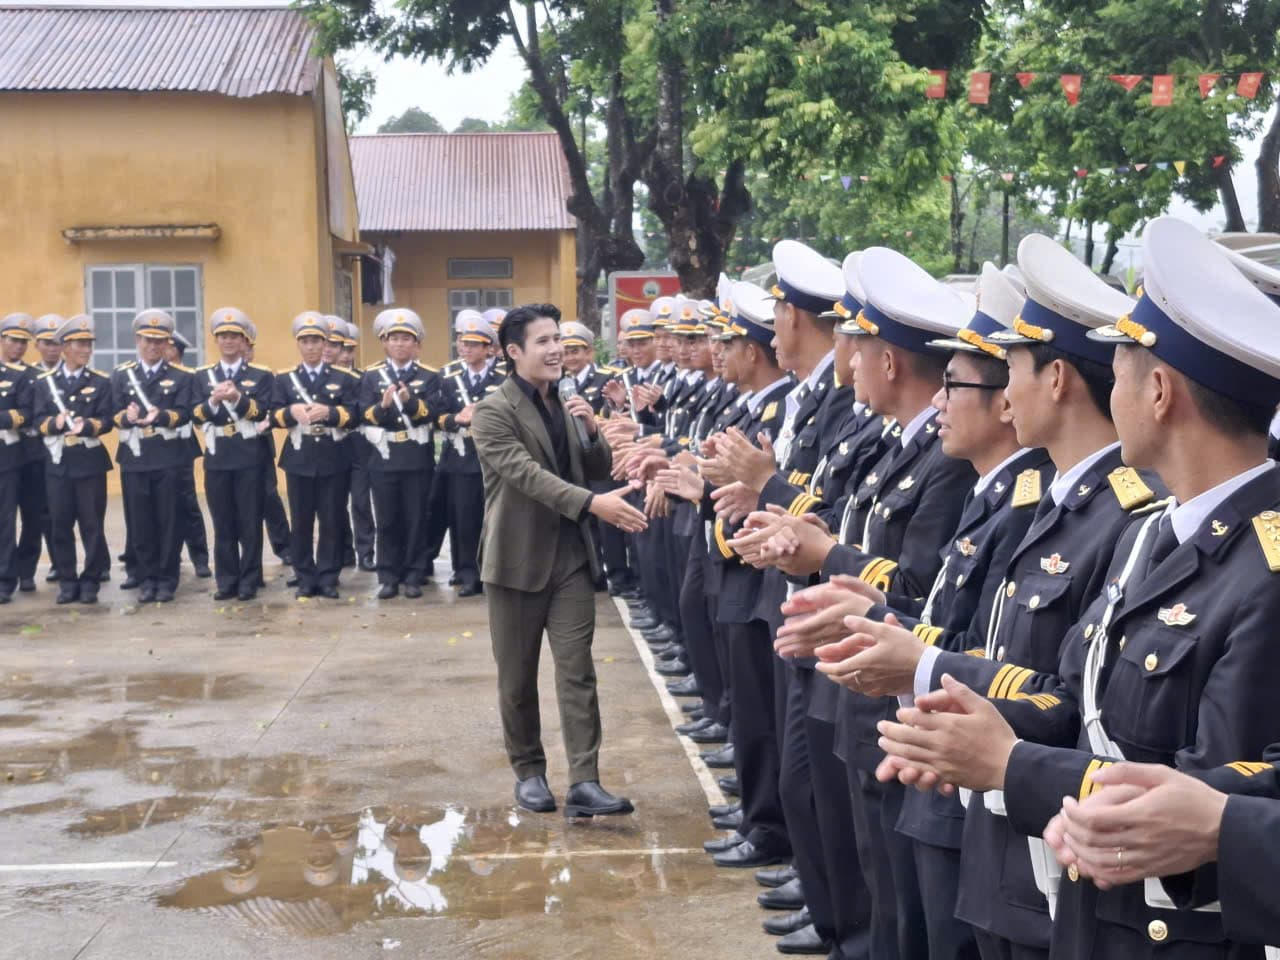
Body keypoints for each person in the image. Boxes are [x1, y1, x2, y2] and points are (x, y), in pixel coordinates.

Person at [875, 216, 1280, 959]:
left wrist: (1008, 764)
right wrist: (963, 725)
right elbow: (1073, 696)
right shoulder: (1152, 535)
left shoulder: (1265, 575)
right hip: (1089, 917)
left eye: (1119, 369)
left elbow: (1206, 794)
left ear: (1159, 391)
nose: (1109, 388)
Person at [470, 302, 647, 818]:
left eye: (561, 342)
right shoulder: (493, 411)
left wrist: (590, 428)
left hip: (569, 556)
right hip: (515, 560)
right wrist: (593, 504)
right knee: (517, 677)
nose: (557, 351)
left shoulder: (567, 399)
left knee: (577, 671)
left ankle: (585, 779)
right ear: (514, 352)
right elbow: (525, 474)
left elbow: (593, 467)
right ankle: (528, 771)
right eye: (544, 342)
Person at [109, 309, 196, 603]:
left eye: (159, 341)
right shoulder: (122, 375)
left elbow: (186, 413)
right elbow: (112, 413)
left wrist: (162, 416)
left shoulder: (181, 376)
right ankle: (146, 578)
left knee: (169, 520)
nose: (153, 346)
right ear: (137, 339)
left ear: (167, 343)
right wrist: (125, 416)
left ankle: (167, 578)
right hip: (135, 457)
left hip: (168, 455)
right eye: (147, 340)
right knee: (141, 521)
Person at [271, 312, 359, 600]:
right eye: (305, 341)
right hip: (299, 455)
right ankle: (305, 576)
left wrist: (331, 413)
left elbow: (355, 414)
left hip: (333, 455)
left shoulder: (342, 377)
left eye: (316, 341)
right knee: (301, 520)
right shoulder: (285, 379)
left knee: (332, 519)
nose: (310, 347)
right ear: (299, 345)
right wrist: (290, 412)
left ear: (325, 344)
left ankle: (328, 576)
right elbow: (273, 413)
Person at [191, 308, 275, 602]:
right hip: (218, 456)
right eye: (223, 336)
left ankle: (250, 579)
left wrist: (238, 398)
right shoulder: (203, 376)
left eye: (234, 336)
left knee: (249, 521)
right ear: (216, 340)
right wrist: (214, 400)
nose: (228, 341)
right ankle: (226, 580)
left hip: (249, 454)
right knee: (222, 521)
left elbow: (264, 410)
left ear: (243, 341)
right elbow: (196, 415)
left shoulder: (260, 375)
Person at [358, 309, 440, 599]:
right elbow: (364, 414)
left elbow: (433, 413)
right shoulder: (371, 376)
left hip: (416, 457)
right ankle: (388, 576)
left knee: (416, 518)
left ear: (417, 345)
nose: (400, 344)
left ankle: (414, 575)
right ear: (385, 342)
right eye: (394, 338)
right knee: (387, 520)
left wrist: (411, 401)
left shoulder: (430, 376)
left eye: (407, 338)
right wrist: (383, 406)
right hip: (384, 456)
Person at [33, 315, 113, 604]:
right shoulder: (44, 384)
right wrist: (54, 422)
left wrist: (90, 426)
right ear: (65, 347)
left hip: (89, 461)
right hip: (58, 463)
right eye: (80, 344)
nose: (86, 350)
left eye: (88, 344)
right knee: (60, 523)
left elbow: (107, 420)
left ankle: (91, 580)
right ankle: (68, 580)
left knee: (92, 525)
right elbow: (38, 420)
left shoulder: (101, 382)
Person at [436, 312, 503, 597]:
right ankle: (467, 573)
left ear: (489, 348)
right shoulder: (449, 378)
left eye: (475, 344)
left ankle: (495, 574)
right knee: (464, 520)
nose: (467, 349)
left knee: (496, 520)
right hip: (461, 458)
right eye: (463, 343)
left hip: (494, 460)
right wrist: (456, 419)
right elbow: (436, 416)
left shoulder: (504, 378)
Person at [166, 329, 211, 579]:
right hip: (156, 448)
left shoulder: (191, 377)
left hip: (181, 447)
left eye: (168, 346)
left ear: (177, 351)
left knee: (187, 504)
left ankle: (200, 557)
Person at [0, 313, 36, 604]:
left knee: (5, 521)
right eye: (14, 341)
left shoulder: (23, 376)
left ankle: (5, 579)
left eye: (24, 342)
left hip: (7, 457)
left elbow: (24, 414)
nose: (19, 347)